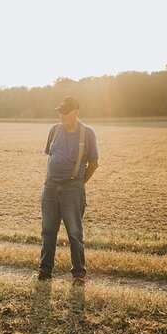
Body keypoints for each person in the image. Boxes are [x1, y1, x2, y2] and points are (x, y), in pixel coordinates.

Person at [38, 96, 99, 285]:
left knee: (74, 231)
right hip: (50, 186)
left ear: (76, 112)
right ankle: (44, 271)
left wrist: (79, 183)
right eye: (60, 111)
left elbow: (94, 164)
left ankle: (78, 274)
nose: (61, 115)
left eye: (65, 112)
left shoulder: (87, 133)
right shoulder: (54, 130)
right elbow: (51, 155)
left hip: (73, 188)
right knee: (48, 230)